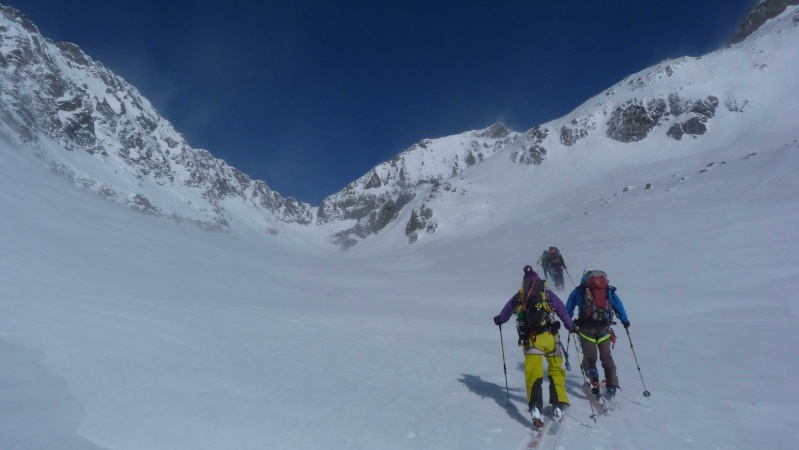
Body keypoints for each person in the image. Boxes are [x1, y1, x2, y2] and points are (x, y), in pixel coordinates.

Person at [493, 265, 575, 427]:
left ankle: (536, 406)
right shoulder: (547, 294)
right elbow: (562, 310)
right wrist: (570, 325)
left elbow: (506, 312)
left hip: (531, 340)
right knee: (556, 371)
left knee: (533, 374)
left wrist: (499, 320)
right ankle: (559, 403)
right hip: (552, 338)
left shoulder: (521, 295)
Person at [565, 270, 630, 400]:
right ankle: (612, 385)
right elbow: (619, 307)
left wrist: (569, 323)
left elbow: (568, 309)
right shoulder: (608, 290)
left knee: (589, 356)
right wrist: (625, 321)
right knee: (606, 357)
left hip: (585, 329)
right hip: (604, 329)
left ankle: (593, 375)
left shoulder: (579, 291)